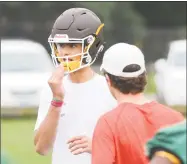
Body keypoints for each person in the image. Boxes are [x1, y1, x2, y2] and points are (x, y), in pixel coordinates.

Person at [34, 8, 116, 164]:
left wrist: (99, 146)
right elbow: (41, 148)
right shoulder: (52, 89)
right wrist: (57, 99)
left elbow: (131, 146)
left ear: (91, 46)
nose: (64, 52)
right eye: (60, 45)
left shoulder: (110, 89)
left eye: (72, 46)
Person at [91, 43, 184, 164]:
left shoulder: (108, 124)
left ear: (108, 79)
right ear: (144, 75)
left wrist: (102, 145)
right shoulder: (176, 119)